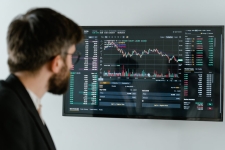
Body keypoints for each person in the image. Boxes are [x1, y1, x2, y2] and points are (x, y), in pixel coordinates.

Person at [0, 8, 84, 150]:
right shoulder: (8, 112)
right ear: (56, 63)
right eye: (71, 56)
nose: (71, 65)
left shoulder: (22, 102)